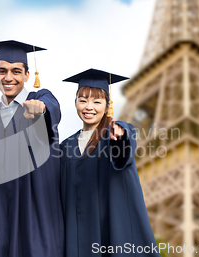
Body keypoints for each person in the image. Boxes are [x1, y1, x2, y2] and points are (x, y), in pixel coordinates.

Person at [61, 69, 160, 257]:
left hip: (109, 234)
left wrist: (121, 136)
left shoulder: (113, 135)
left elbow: (124, 148)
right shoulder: (65, 147)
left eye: (97, 102)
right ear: (75, 103)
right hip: (76, 238)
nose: (89, 107)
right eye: (83, 100)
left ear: (107, 106)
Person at [0, 40, 64, 257]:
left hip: (36, 217)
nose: (8, 77)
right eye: (3, 71)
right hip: (2, 221)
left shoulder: (40, 99)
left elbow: (51, 107)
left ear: (27, 75)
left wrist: (41, 110)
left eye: (16, 71)